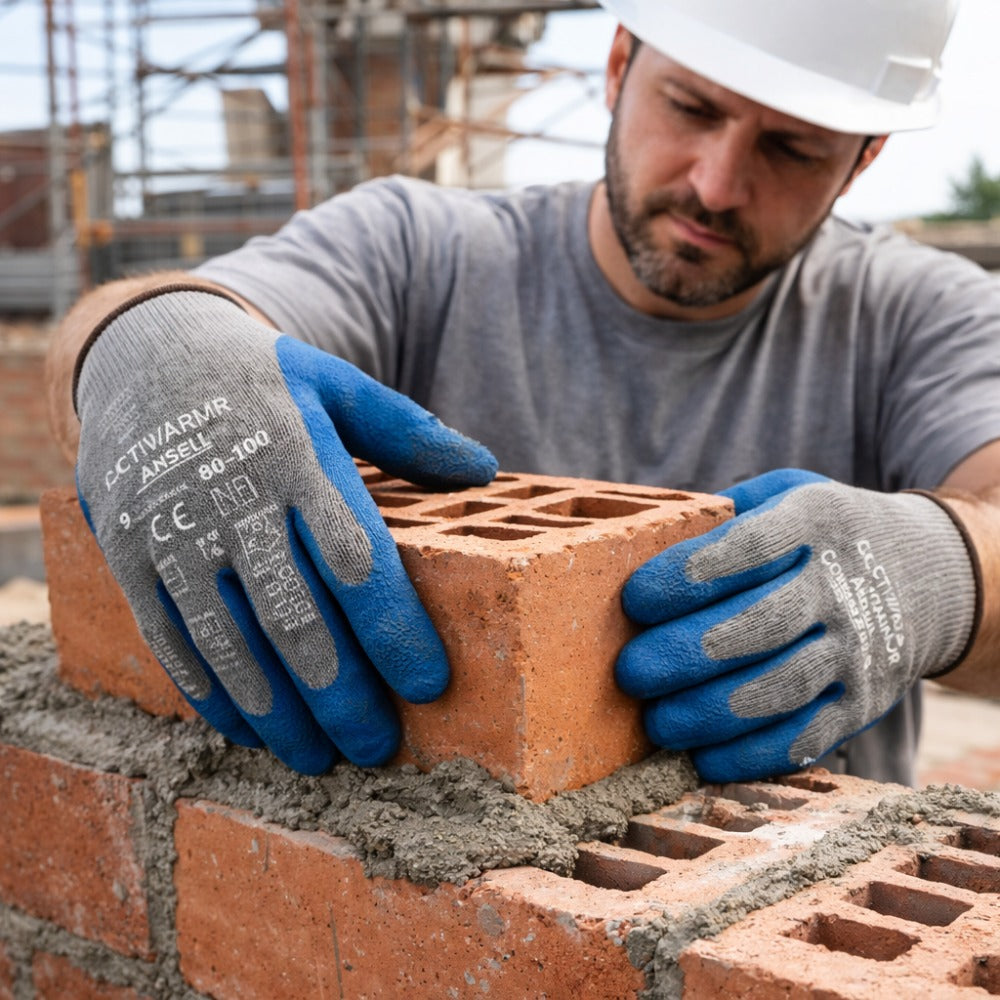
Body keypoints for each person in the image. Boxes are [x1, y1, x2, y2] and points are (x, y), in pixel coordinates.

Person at [47, 0, 1000, 787]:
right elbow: (150, 319)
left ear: (864, 158)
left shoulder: (918, 313)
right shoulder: (422, 250)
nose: (716, 184)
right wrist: (148, 346)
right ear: (619, 64)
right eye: (692, 109)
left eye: (791, 149)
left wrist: (946, 572)